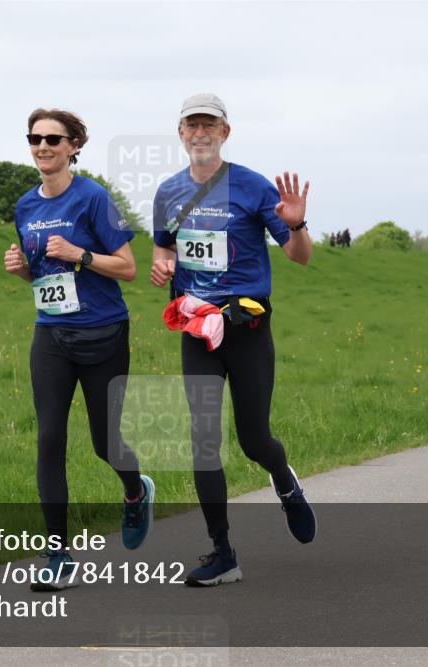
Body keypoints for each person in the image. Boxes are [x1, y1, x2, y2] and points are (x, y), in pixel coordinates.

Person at [149, 93, 317, 587]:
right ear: (181, 133)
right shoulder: (168, 192)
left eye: (210, 125)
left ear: (225, 132)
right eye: (192, 124)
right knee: (203, 441)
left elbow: (300, 256)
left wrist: (297, 224)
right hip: (198, 330)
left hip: (247, 330)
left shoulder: (252, 186)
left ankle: (284, 479)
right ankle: (223, 553)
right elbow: (164, 249)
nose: (200, 132)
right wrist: (163, 267)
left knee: (254, 440)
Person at [4, 107, 154, 591]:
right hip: (51, 333)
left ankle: (135, 490)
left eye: (53, 139)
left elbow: (128, 268)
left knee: (104, 442)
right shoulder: (25, 206)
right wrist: (22, 270)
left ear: (73, 147)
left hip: (103, 331)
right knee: (49, 439)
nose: (42, 147)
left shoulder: (94, 198)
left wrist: (80, 255)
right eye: (35, 139)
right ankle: (58, 554)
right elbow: (43, 274)